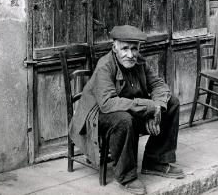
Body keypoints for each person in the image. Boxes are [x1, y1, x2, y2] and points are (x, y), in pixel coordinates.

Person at [69, 25, 184, 195]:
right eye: (124, 49)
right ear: (114, 47)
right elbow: (107, 103)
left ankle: (155, 161)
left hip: (128, 108)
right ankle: (126, 176)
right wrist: (147, 107)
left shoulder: (139, 62)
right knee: (124, 120)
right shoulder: (105, 66)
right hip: (97, 114)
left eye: (134, 49)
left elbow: (158, 85)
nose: (130, 55)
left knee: (172, 102)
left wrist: (157, 108)